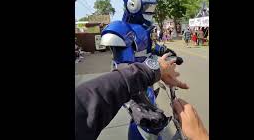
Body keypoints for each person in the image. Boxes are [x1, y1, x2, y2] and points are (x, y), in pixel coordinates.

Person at [75, 54, 208, 140]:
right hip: (135, 84)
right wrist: (201, 137)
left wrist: (154, 68)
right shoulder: (120, 29)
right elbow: (87, 103)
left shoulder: (146, 28)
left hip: (143, 80)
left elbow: (86, 99)